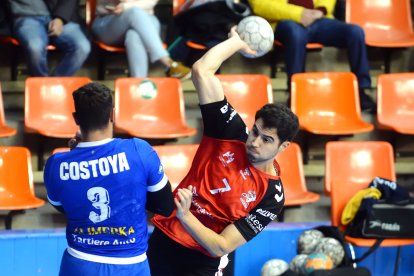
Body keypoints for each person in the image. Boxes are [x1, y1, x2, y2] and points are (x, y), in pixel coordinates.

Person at [147, 27, 300, 275]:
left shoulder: (272, 195)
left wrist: (186, 217)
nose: (255, 142)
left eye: (267, 140)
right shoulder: (228, 132)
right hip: (165, 240)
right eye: (255, 132)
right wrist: (236, 43)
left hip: (204, 262)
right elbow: (201, 71)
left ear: (283, 147)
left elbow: (222, 246)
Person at [43, 82, 175, 276]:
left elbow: (64, 207)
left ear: (76, 119)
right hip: (130, 266)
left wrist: (78, 157)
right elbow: (165, 206)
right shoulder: (139, 151)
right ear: (112, 114)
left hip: (79, 263)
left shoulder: (56, 164)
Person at [248, 0, 376, 112]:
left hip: (318, 20)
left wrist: (321, 10)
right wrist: (299, 14)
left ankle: (361, 90)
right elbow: (259, 5)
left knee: (355, 32)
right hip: (284, 20)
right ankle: (296, 93)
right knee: (295, 34)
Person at [92, 0, 191, 79]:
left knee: (134, 35)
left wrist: (127, 6)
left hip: (145, 20)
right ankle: (167, 62)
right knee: (135, 12)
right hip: (108, 22)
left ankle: (139, 84)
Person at [8, 0, 90, 76]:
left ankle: (54, 85)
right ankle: (42, 85)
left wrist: (60, 19)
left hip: (59, 15)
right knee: (35, 47)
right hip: (26, 18)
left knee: (82, 47)